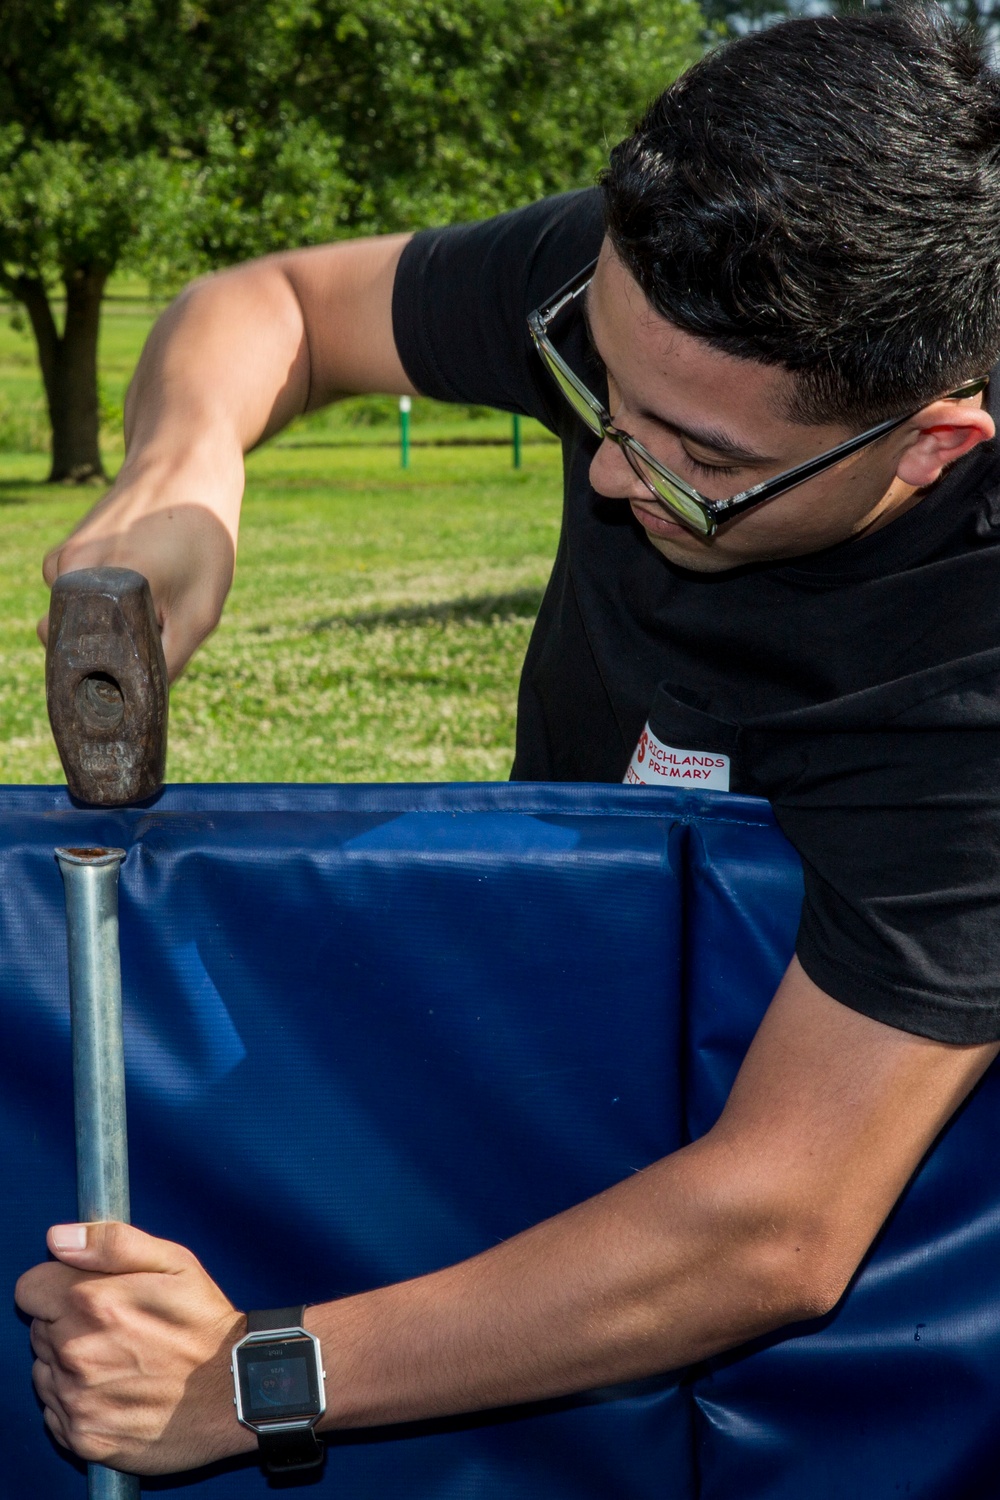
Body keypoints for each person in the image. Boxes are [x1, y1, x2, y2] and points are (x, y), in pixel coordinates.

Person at [16, 4, 1000, 1478]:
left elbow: (782, 1219)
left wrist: (256, 1376)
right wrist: (182, 479)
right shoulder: (671, 294)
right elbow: (274, 303)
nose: (608, 466)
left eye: (701, 463)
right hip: (571, 1062)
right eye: (600, 385)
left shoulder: (976, 666)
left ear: (933, 443)